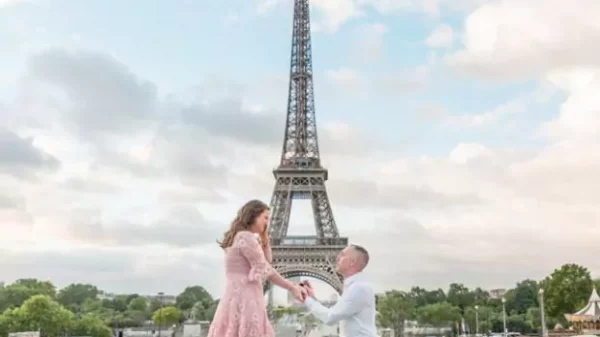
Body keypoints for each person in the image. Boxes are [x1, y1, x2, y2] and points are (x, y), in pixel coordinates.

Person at [207, 199, 306, 337]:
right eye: (265, 218)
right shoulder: (246, 237)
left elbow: (267, 262)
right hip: (246, 297)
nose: (267, 222)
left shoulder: (239, 237)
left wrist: (264, 240)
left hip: (234, 297)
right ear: (253, 216)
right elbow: (266, 268)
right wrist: (291, 287)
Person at [301, 244, 376, 337]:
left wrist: (306, 299)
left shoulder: (358, 288)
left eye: (342, 255)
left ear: (352, 262)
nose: (337, 258)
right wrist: (312, 298)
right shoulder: (355, 287)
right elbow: (335, 312)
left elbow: (330, 317)